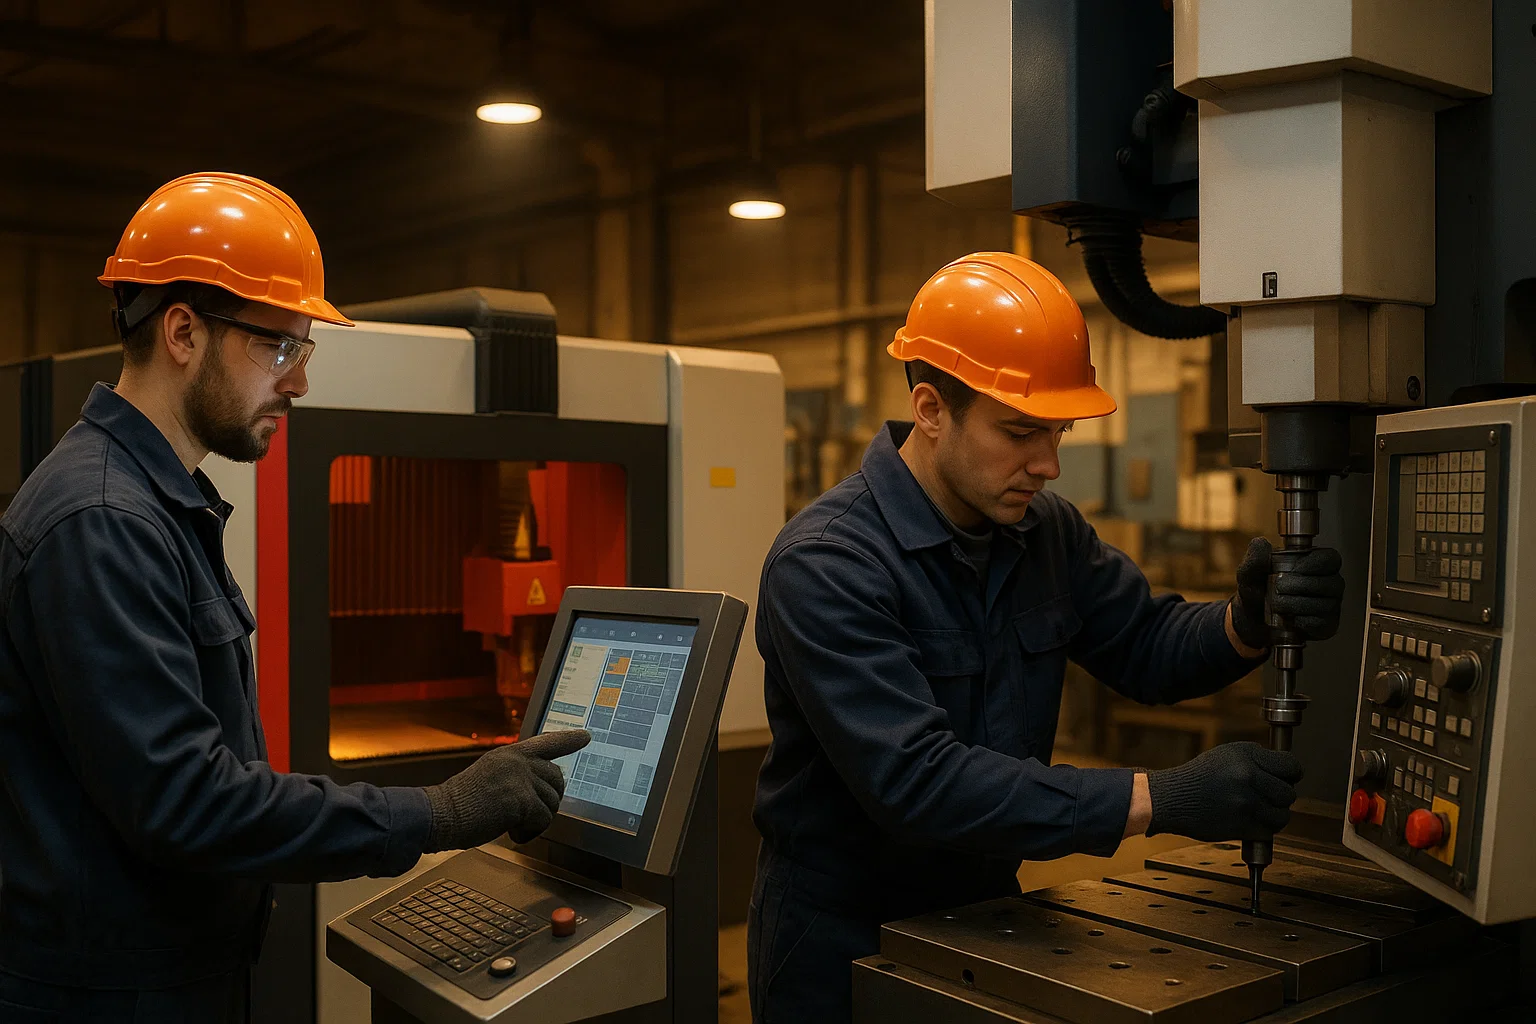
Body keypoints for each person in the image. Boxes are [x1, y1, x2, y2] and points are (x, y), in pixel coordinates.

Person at [0, 172, 589, 1023]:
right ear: (181, 332)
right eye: (279, 346)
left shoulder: (152, 503)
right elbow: (186, 804)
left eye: (302, 351)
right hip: (111, 998)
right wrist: (441, 811)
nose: (299, 382)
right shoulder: (102, 521)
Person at [746, 252, 1344, 1023]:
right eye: (1021, 432)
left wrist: (1244, 624)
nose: (1049, 464)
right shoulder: (827, 564)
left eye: (1057, 431)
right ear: (931, 409)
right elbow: (917, 781)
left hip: (990, 915)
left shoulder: (1042, 532)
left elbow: (1146, 642)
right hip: (841, 942)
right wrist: (1157, 799)